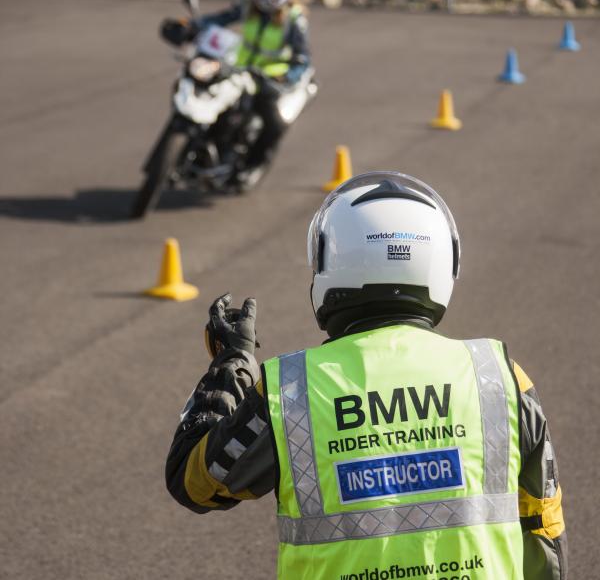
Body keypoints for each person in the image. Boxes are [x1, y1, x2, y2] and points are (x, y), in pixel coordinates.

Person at [166, 172, 567, 579]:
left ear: (330, 265)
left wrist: (230, 369)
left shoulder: (291, 391)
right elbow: (542, 531)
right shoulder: (500, 378)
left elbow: (195, 484)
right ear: (444, 263)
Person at [161, 0, 311, 187]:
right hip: (237, 68)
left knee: (276, 123)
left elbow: (302, 59)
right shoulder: (249, 5)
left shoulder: (294, 19)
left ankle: (252, 167)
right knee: (201, 88)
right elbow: (220, 18)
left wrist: (286, 76)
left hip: (267, 77)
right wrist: (193, 26)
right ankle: (192, 149)